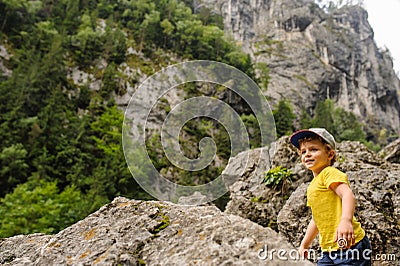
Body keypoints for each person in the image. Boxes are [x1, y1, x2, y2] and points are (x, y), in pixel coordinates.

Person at [289, 128, 371, 265]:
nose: (307, 154)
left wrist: (346, 221)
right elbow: (317, 219)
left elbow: (347, 195)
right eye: (303, 152)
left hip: (350, 246)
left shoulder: (329, 173)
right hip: (328, 249)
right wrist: (304, 244)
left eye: (314, 150)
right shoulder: (312, 186)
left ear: (330, 154)